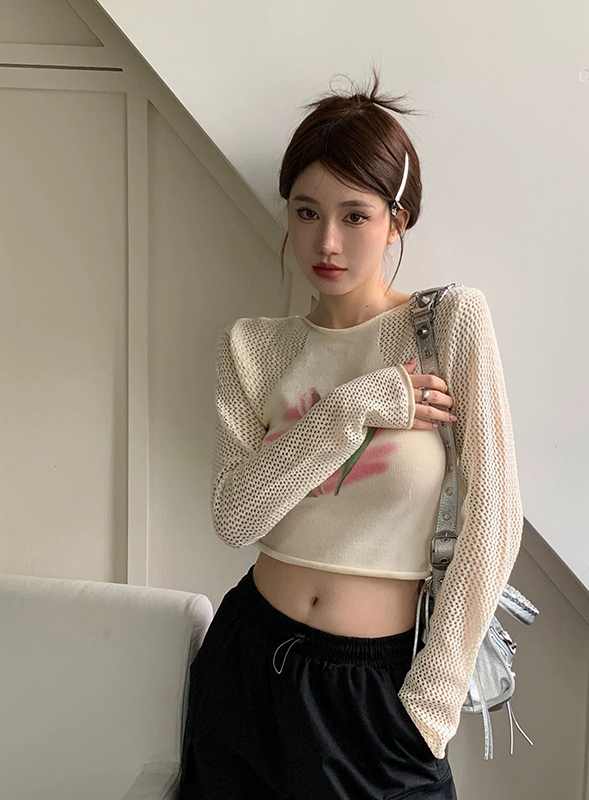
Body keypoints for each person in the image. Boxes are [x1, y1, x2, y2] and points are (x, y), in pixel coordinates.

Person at [177, 66, 524, 800]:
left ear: (398, 219)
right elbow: (235, 517)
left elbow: (494, 519)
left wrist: (430, 706)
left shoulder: (448, 323)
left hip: (379, 694)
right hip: (248, 670)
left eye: (355, 215)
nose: (326, 240)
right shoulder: (253, 346)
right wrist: (351, 409)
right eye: (306, 212)